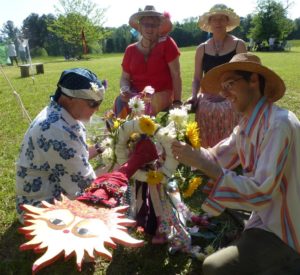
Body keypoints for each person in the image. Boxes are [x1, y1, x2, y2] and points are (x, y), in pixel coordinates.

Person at [172, 52, 300, 274]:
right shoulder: (247, 125)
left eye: (230, 84)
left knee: (214, 267)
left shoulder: (279, 125)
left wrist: (211, 170)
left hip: (286, 229)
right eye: (222, 87)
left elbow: (261, 193)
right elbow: (215, 156)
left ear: (253, 80)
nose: (223, 93)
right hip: (263, 215)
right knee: (222, 207)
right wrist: (176, 146)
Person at [16, 68, 106, 222]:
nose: (97, 109)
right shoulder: (56, 130)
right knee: (110, 195)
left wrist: (102, 147)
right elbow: (85, 187)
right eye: (92, 103)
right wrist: (127, 165)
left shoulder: (61, 114)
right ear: (70, 98)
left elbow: (76, 157)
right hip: (40, 208)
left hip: (54, 191)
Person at [188, 4, 247, 148]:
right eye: (215, 19)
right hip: (208, 94)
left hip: (233, 94)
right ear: (209, 23)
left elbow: (245, 75)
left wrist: (232, 94)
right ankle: (207, 154)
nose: (218, 22)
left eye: (222, 19)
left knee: (228, 109)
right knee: (204, 108)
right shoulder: (201, 48)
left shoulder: (239, 45)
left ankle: (232, 152)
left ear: (227, 22)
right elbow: (197, 78)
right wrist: (194, 96)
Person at [113, 5, 182, 118]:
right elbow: (124, 78)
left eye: (154, 25)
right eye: (146, 24)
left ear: (159, 27)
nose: (150, 28)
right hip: (136, 94)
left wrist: (177, 101)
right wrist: (125, 89)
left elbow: (176, 74)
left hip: (162, 94)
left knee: (147, 103)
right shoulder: (130, 50)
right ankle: (118, 134)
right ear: (139, 27)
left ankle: (142, 135)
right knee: (119, 101)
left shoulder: (167, 43)